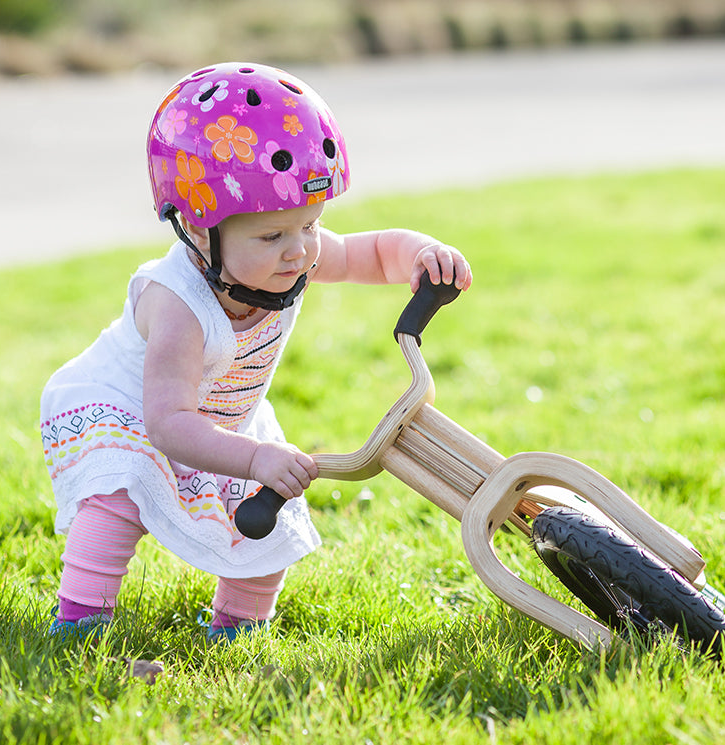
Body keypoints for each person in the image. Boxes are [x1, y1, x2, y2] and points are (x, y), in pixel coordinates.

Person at [38, 62, 471, 641]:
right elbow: (167, 425)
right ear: (197, 229)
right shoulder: (177, 306)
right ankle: (81, 620)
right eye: (271, 236)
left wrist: (423, 254)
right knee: (118, 495)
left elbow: (373, 253)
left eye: (311, 226)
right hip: (132, 413)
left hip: (226, 415)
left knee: (272, 513)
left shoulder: (294, 257)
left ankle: (238, 627)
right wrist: (250, 459)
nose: (299, 253)